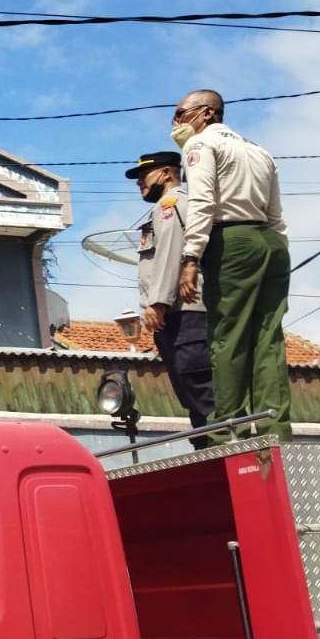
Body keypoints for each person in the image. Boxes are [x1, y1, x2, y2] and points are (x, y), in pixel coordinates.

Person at [171, 89, 292, 439]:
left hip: (231, 241)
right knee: (269, 337)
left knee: (228, 335)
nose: (177, 122)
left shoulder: (199, 146)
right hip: (270, 243)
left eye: (181, 113)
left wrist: (191, 256)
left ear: (207, 113)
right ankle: (275, 428)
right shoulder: (260, 152)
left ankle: (228, 428)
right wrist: (276, 249)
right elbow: (276, 215)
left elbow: (202, 202)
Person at [126, 151, 214, 437]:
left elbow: (170, 252)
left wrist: (158, 302)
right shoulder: (166, 206)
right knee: (190, 393)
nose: (140, 183)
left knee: (199, 387)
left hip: (185, 311)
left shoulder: (170, 204)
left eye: (144, 176)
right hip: (178, 314)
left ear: (166, 174)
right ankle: (208, 445)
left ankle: (218, 444)